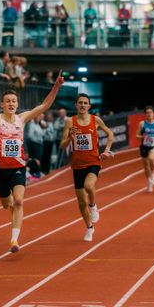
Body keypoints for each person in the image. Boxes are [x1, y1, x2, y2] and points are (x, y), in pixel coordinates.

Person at [0, 70, 64, 253]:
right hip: (0, 170)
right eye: (8, 101)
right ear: (2, 104)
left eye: (14, 101)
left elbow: (44, 106)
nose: (11, 104)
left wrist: (56, 86)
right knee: (7, 204)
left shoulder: (22, 118)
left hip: (18, 168)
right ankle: (13, 215)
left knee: (19, 201)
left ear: (17, 104)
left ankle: (14, 240)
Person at [60, 94, 114, 242]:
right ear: (76, 105)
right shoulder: (70, 122)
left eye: (85, 103)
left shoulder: (95, 120)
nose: (83, 105)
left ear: (89, 106)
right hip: (77, 165)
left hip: (93, 162)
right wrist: (70, 137)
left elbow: (110, 134)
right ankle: (89, 228)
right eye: (80, 103)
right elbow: (62, 145)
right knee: (81, 202)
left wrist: (107, 150)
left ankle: (93, 205)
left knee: (89, 186)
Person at [136, 106, 154, 192]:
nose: (149, 114)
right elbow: (137, 135)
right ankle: (149, 181)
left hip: (153, 146)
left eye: (150, 112)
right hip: (144, 146)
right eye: (147, 113)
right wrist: (142, 136)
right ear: (145, 114)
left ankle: (153, 173)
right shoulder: (142, 124)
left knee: (151, 159)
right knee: (146, 166)